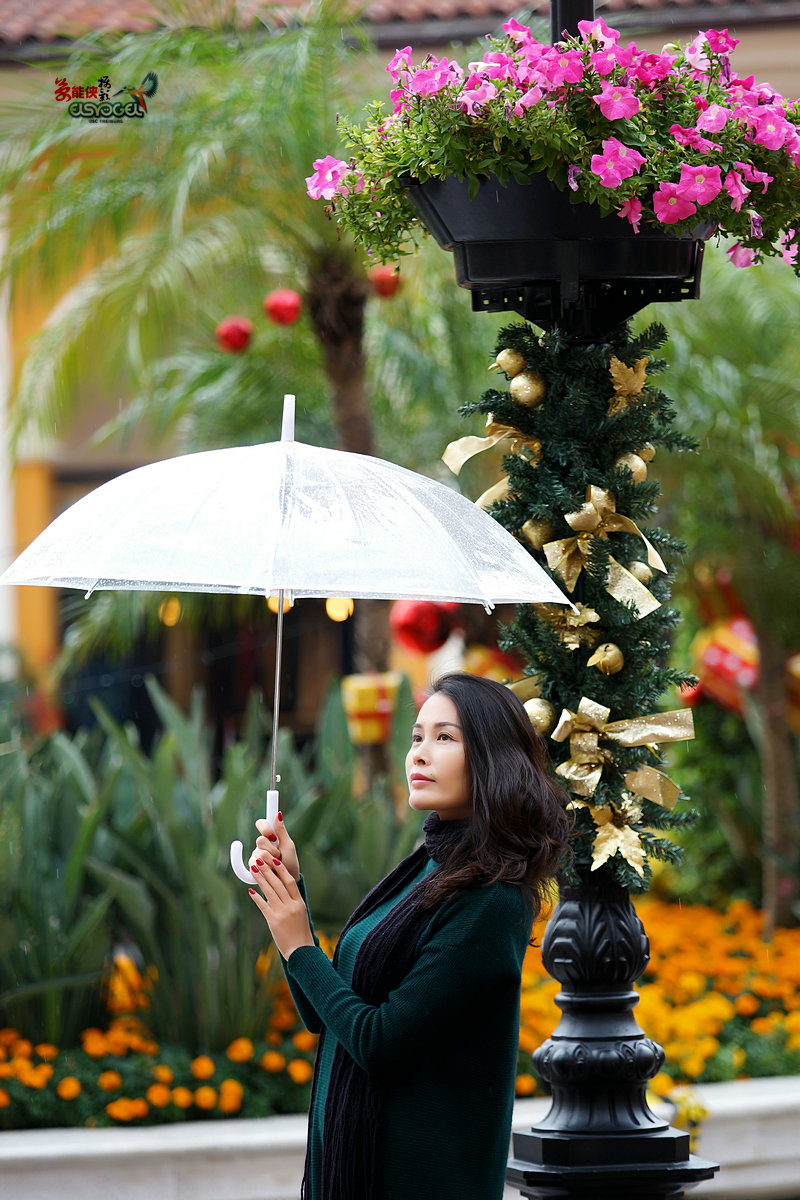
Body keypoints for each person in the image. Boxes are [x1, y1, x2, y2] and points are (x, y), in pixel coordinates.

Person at [248, 672, 571, 1200]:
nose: (419, 753)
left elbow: (379, 1043)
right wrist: (290, 898)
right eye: (417, 735)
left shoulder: (490, 897)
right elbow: (323, 1014)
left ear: (492, 756)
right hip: (351, 1172)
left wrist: (300, 943)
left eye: (445, 737)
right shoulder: (430, 864)